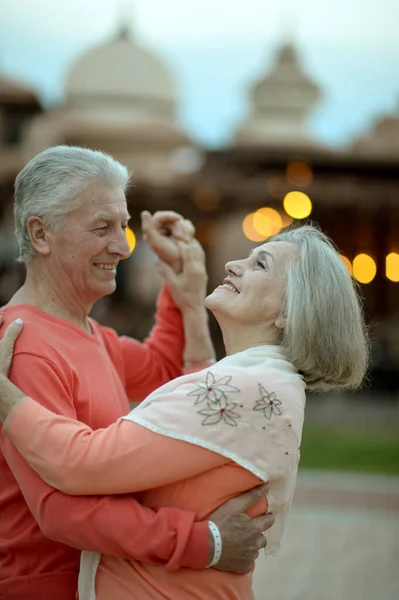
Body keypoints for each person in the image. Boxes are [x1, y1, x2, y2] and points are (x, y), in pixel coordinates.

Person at [0, 224, 369, 599]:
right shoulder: (262, 383)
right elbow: (192, 425)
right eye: (101, 225)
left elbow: (81, 462)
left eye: (261, 264)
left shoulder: (243, 390)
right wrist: (189, 303)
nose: (232, 264)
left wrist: (5, 398)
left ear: (290, 312)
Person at [0, 146, 274, 600]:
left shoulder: (88, 333)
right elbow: (60, 512)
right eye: (102, 227)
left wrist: (181, 288)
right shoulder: (25, 345)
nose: (123, 247)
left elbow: (173, 375)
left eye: (124, 227)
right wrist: (205, 542)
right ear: (41, 234)